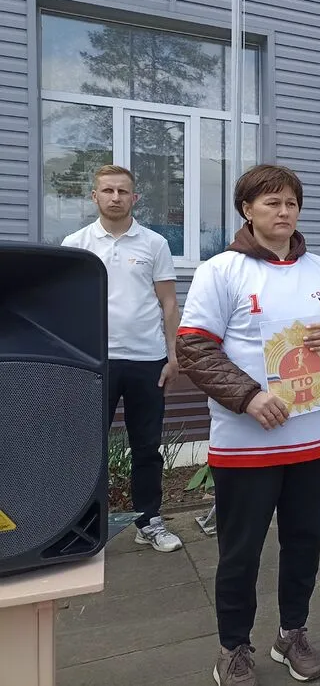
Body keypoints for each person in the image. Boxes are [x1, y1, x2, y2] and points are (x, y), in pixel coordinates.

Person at [176, 164, 320, 686]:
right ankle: (234, 648)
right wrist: (248, 396)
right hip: (247, 443)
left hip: (314, 437)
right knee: (240, 553)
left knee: (305, 543)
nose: (284, 212)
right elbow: (193, 347)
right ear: (247, 209)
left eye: (291, 203)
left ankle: (292, 634)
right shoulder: (221, 271)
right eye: (272, 203)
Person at [61, 164, 183, 553]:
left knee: (146, 447)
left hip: (148, 361)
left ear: (135, 198)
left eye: (123, 191)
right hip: (96, 362)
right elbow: (67, 306)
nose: (115, 197)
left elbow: (168, 303)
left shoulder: (154, 244)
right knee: (86, 448)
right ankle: (81, 526)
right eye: (108, 190)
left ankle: (149, 521)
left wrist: (173, 356)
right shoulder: (76, 244)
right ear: (94, 196)